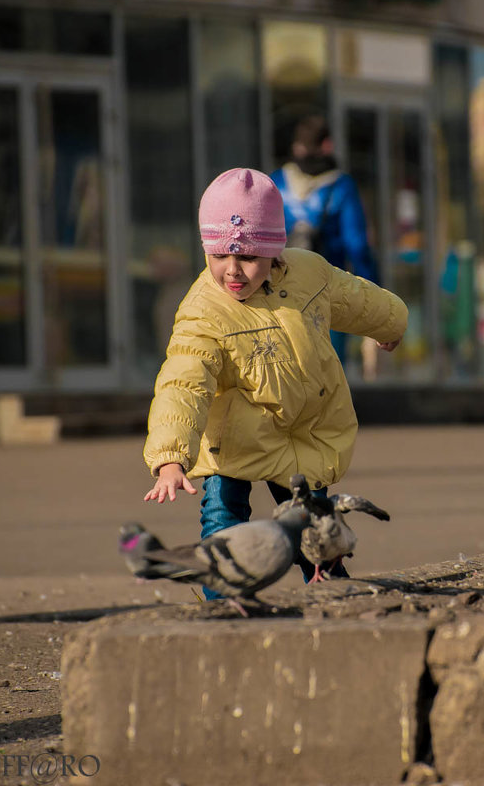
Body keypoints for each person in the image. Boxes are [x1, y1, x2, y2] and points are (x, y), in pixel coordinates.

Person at [142, 168, 407, 597]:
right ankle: (223, 602)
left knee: (314, 527)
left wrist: (390, 322)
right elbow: (182, 384)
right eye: (218, 257)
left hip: (299, 436)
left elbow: (353, 297)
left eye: (247, 258)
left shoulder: (309, 274)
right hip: (233, 444)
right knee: (223, 524)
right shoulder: (201, 313)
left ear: (275, 252)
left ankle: (332, 593)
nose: (233, 272)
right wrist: (171, 457)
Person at [271, 116, 380, 363]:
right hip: (328, 290)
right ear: (327, 145)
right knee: (329, 369)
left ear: (297, 147)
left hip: (280, 291)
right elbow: (358, 246)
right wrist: (373, 296)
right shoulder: (341, 186)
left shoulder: (276, 182)